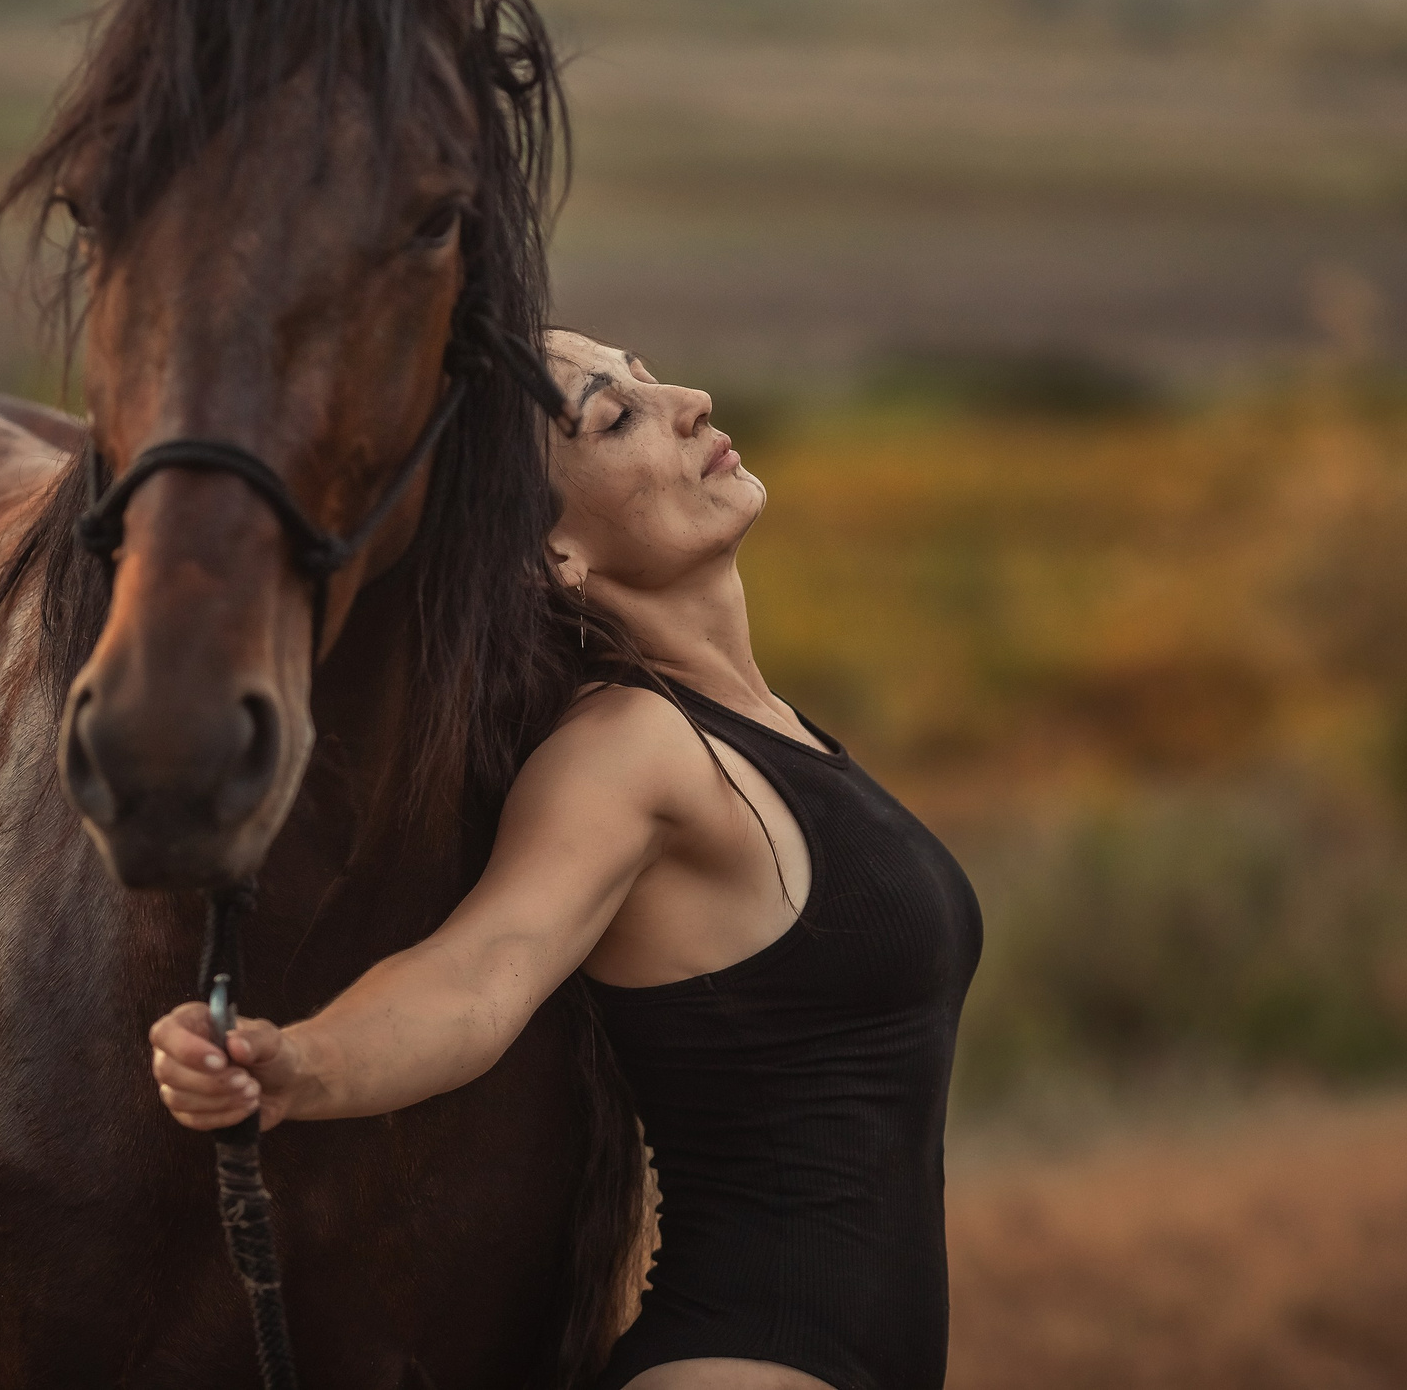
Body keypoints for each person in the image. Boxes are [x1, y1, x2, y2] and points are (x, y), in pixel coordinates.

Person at [149, 330, 984, 1390]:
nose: (689, 397)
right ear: (549, 554)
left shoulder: (762, 727)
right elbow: (479, 974)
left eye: (646, 374)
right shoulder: (630, 750)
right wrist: (296, 1066)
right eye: (614, 414)